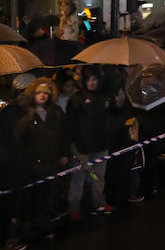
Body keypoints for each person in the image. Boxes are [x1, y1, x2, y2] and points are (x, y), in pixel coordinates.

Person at [13, 78, 69, 240]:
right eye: (38, 92)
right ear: (33, 95)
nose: (42, 95)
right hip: (31, 166)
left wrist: (64, 154)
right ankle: (28, 230)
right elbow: (18, 140)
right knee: (32, 198)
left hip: (51, 163)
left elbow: (64, 135)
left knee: (48, 198)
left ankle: (45, 228)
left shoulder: (57, 112)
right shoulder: (27, 116)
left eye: (45, 92)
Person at [65, 69, 114, 220]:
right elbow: (70, 125)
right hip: (82, 146)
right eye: (89, 80)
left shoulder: (102, 97)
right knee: (78, 180)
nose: (92, 83)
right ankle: (74, 208)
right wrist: (75, 148)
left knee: (99, 177)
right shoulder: (75, 99)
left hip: (100, 144)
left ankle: (98, 203)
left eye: (95, 79)